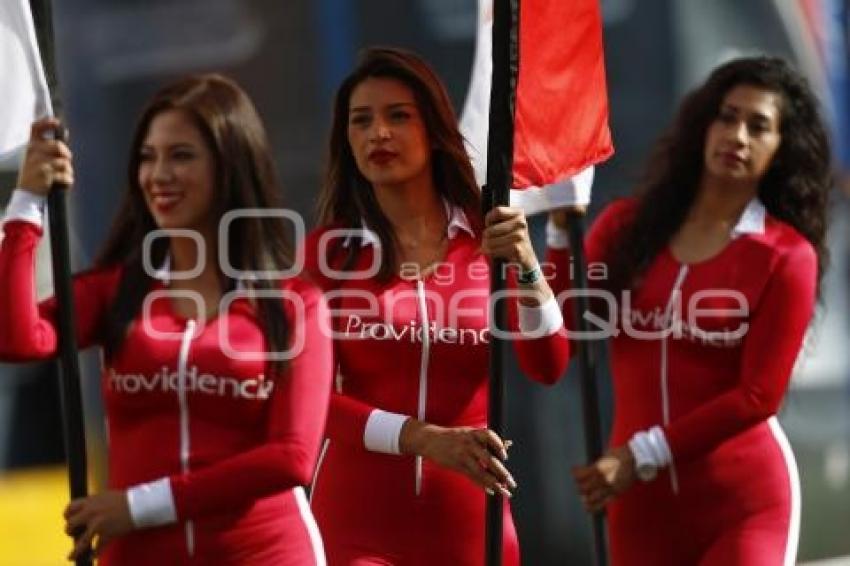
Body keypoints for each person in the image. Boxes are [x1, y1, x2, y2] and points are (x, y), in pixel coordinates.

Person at [0, 74, 332, 564]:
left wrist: (138, 507)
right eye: (147, 156)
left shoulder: (293, 303)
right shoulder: (115, 291)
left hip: (264, 552)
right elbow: (15, 339)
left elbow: (291, 458)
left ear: (230, 163)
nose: (158, 174)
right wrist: (26, 203)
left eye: (181, 155)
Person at [548, 56, 832, 564]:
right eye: (727, 116)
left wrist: (642, 453)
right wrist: (552, 238)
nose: (738, 135)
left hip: (742, 505)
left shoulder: (785, 256)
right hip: (638, 508)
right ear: (703, 124)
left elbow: (758, 395)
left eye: (758, 126)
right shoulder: (625, 228)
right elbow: (561, 333)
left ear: (780, 149)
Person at [302, 47, 570, 565]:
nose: (378, 133)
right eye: (362, 121)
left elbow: (549, 365)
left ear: (434, 129)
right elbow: (310, 401)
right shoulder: (327, 254)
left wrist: (526, 265)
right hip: (357, 526)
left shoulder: (487, 242)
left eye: (398, 116)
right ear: (347, 141)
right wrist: (423, 439)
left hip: (470, 526)